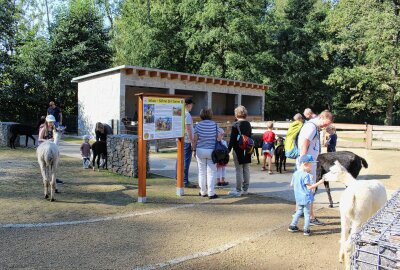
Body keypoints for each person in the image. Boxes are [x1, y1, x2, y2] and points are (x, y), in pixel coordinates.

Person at [296, 110, 333, 225]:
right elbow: (304, 144)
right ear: (321, 117)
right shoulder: (312, 127)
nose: (325, 126)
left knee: (303, 189)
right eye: (325, 123)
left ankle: (300, 212)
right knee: (309, 189)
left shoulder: (314, 126)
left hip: (309, 162)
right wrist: (305, 162)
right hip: (307, 163)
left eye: (327, 125)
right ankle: (311, 217)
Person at [288, 155, 325, 236]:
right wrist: (320, 182)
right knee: (307, 214)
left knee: (299, 211)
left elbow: (291, 184)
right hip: (306, 197)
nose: (311, 168)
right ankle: (306, 229)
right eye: (310, 166)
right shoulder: (306, 175)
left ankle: (292, 225)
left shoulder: (296, 173)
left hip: (298, 197)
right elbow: (310, 187)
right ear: (305, 164)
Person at [192, 108, 219, 199]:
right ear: (210, 115)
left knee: (201, 172)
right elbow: (218, 137)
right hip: (211, 150)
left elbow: (195, 139)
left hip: (200, 149)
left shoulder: (198, 125)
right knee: (211, 172)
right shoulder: (215, 125)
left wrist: (194, 150)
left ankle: (202, 191)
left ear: (201, 115)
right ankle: (211, 193)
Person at [228, 105, 252, 197]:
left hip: (238, 149)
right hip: (247, 148)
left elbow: (232, 139)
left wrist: (228, 149)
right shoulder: (248, 124)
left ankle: (238, 190)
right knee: (246, 169)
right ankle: (245, 189)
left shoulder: (236, 124)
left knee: (238, 170)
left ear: (236, 114)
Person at [38, 115, 63, 184]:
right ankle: (46, 178)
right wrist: (47, 140)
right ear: (47, 122)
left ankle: (54, 178)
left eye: (52, 122)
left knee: (55, 161)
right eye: (50, 122)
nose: (51, 123)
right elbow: (39, 139)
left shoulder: (54, 129)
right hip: (43, 145)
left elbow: (56, 137)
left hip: (52, 145)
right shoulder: (43, 128)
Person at [183, 97, 197, 188]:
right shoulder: (187, 114)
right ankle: (185, 181)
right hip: (187, 140)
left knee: (180, 160)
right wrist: (192, 141)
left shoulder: (181, 113)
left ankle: (179, 178)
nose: (192, 106)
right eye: (191, 104)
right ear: (188, 105)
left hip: (181, 139)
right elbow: (188, 128)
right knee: (186, 161)